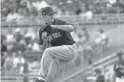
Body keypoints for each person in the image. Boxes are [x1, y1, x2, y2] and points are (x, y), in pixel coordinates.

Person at [33, 7, 78, 82]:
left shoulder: (58, 22)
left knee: (48, 52)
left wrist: (54, 26)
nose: (52, 16)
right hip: (59, 55)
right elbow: (45, 48)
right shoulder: (42, 30)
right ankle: (44, 79)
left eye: (53, 14)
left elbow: (71, 28)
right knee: (50, 76)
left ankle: (41, 76)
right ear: (44, 16)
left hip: (70, 49)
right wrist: (44, 39)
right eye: (49, 15)